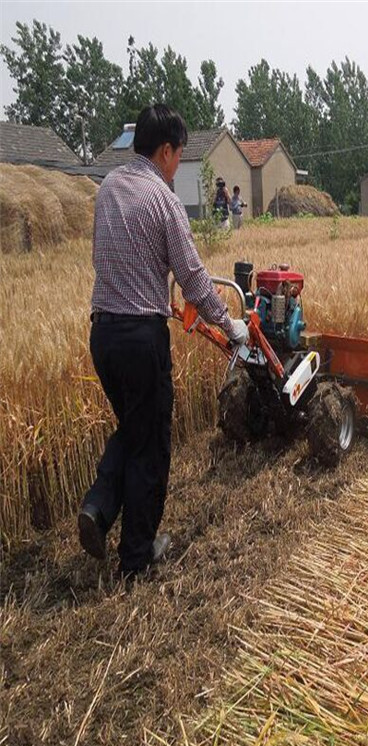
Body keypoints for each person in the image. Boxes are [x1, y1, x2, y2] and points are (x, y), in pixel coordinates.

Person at [79, 104, 249, 578]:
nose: (178, 165)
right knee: (150, 444)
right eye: (178, 155)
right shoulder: (162, 198)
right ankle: (137, 556)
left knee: (132, 429)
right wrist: (228, 322)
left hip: (103, 333)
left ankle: (97, 507)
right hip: (140, 337)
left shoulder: (108, 189)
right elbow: (193, 276)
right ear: (167, 150)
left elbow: (100, 255)